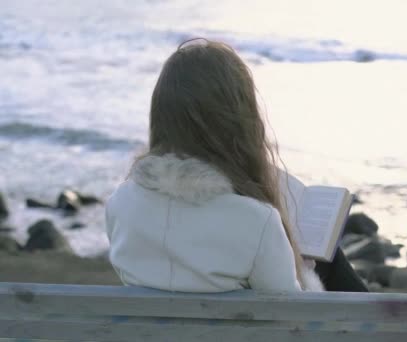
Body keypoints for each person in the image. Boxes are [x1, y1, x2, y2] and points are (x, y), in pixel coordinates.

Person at [105, 38, 367, 293]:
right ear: (239, 122)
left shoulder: (120, 204)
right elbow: (290, 317)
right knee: (328, 259)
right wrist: (301, 271)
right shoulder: (257, 221)